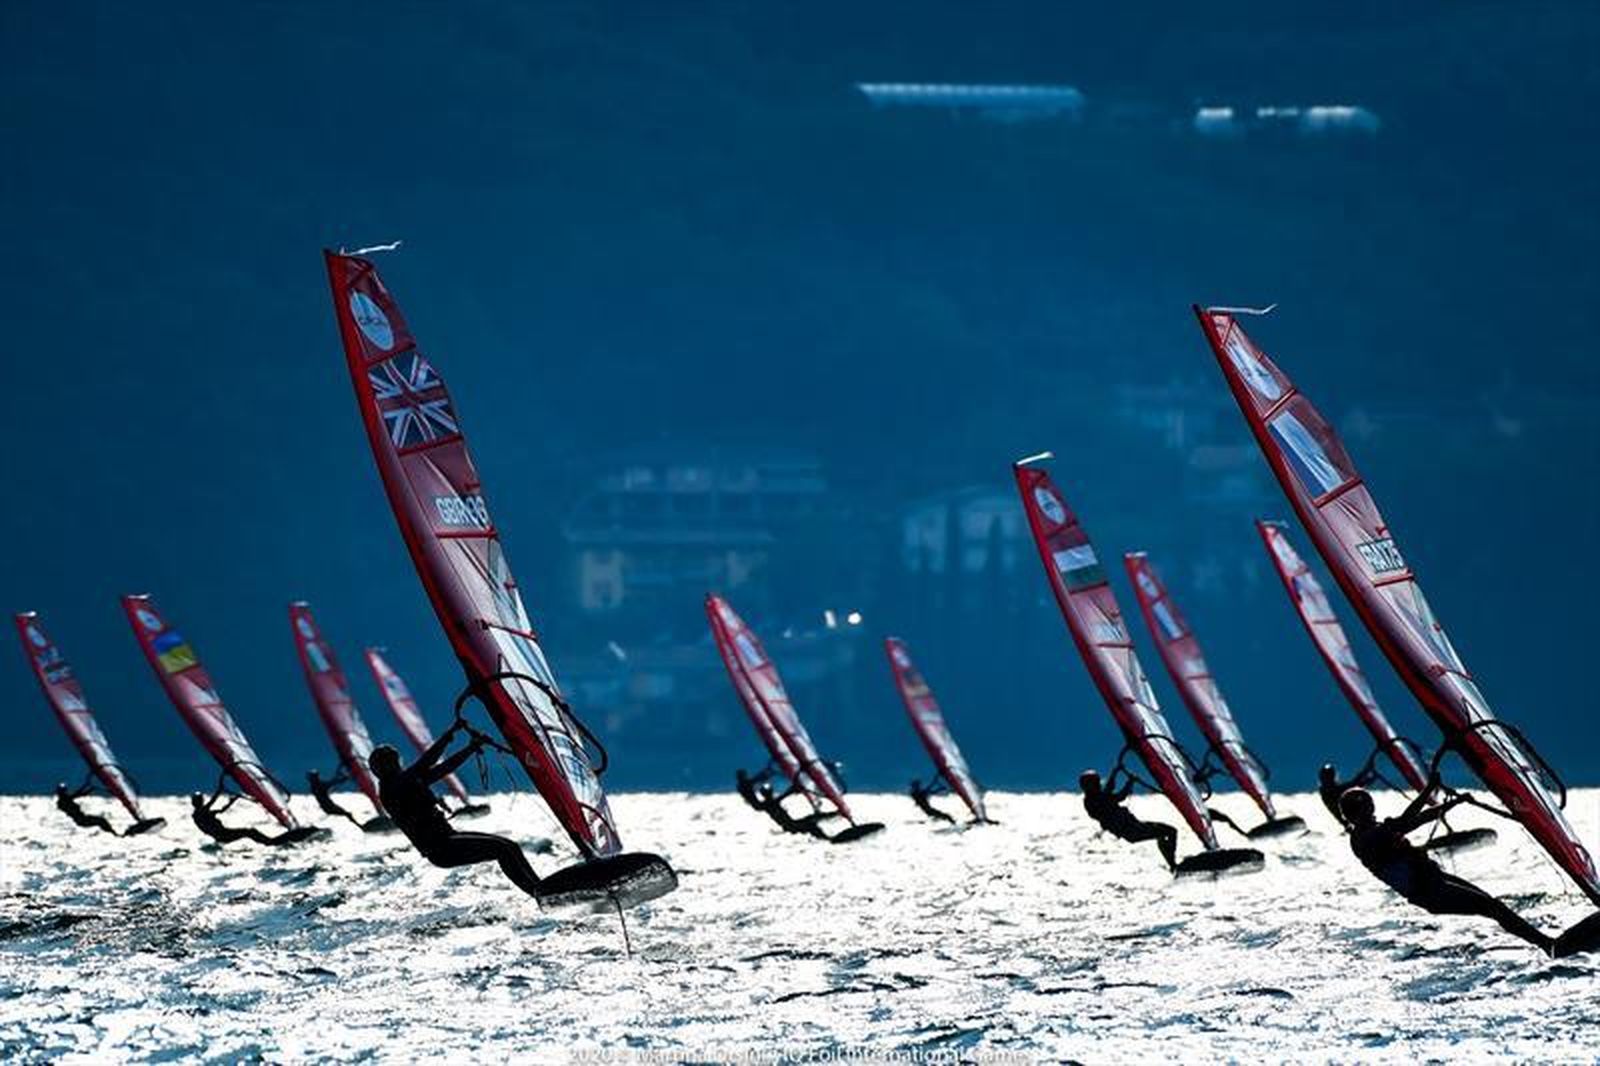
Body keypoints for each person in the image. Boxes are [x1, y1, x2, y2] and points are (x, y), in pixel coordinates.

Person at [1338, 783, 1600, 957]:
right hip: (1429, 891)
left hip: (1434, 879)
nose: (1371, 810)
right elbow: (1406, 823)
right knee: (1492, 907)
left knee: (1493, 905)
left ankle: (1548, 944)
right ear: (1357, 813)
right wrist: (1436, 796)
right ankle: (1549, 946)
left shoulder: (1374, 829)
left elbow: (1410, 820)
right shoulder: (1364, 838)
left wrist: (1441, 797)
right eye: (1366, 807)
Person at [369, 723, 543, 898]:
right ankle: (538, 894)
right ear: (380, 770)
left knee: (510, 846)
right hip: (441, 849)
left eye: (394, 761)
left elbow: (444, 768)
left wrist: (467, 746)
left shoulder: (409, 781)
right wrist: (451, 736)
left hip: (449, 839)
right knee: (502, 849)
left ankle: (541, 888)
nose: (395, 765)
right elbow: (426, 762)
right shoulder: (392, 789)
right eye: (389, 763)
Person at [1080, 769, 1178, 871]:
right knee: (1170, 831)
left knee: (1163, 833)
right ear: (1089, 786)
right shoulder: (1093, 801)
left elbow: (1108, 789)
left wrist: (1115, 773)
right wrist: (1129, 782)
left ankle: (1172, 864)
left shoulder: (1095, 798)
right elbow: (1118, 796)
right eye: (1096, 783)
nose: (1098, 785)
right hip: (1132, 830)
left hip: (1133, 828)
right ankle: (1173, 865)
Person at [189, 792, 316, 846]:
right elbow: (211, 803)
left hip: (222, 836)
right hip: (223, 836)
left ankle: (270, 842)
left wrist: (232, 801)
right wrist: (219, 790)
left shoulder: (201, 812)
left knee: (250, 832)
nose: (202, 801)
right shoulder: (199, 813)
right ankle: (270, 843)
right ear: (196, 802)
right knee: (250, 832)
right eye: (199, 800)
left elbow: (221, 810)